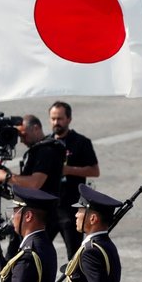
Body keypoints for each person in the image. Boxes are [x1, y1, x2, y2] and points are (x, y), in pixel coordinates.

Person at [0, 115, 66, 282]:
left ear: (36, 128)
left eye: (24, 133)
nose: (21, 138)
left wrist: (8, 177)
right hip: (30, 213)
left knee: (17, 257)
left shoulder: (47, 150)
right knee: (14, 256)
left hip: (37, 215)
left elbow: (35, 183)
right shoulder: (37, 151)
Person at [47, 101, 100, 259]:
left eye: (60, 118)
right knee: (39, 248)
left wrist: (68, 170)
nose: (56, 122)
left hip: (71, 210)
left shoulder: (81, 142)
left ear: (69, 119)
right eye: (53, 118)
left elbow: (94, 171)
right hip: (49, 208)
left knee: (75, 255)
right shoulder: (46, 143)